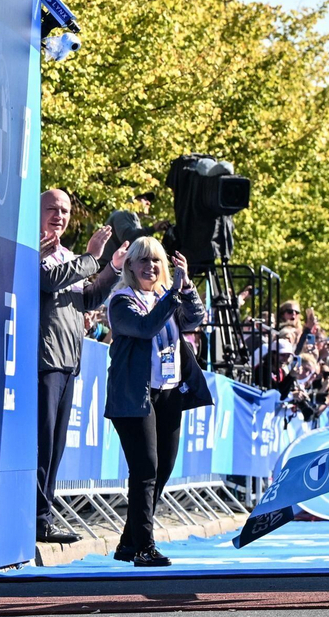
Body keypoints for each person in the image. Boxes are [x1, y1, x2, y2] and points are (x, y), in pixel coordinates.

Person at [105, 237, 212, 567]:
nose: (150, 267)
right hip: (134, 395)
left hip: (169, 393)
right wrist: (172, 296)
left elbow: (194, 319)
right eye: (143, 260)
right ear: (130, 265)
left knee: (162, 468)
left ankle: (129, 542)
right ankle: (144, 547)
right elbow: (145, 327)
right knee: (145, 470)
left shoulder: (168, 296)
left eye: (156, 261)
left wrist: (187, 287)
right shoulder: (121, 300)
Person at [36, 189, 124, 545]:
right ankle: (36, 518)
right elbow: (47, 280)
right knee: (42, 444)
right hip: (44, 359)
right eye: (52, 209)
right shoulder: (33, 249)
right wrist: (91, 257)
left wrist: (112, 267)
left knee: (55, 447)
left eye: (65, 211)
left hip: (69, 360)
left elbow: (87, 297)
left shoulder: (68, 257)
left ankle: (43, 517)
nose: (60, 216)